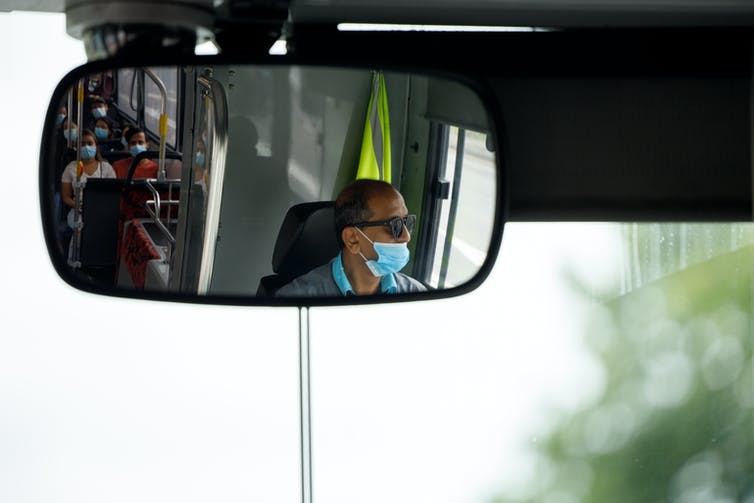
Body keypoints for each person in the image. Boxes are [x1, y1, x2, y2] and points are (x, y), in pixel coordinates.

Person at [276, 179, 427, 296]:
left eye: (407, 222)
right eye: (395, 225)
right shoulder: (297, 300)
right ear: (352, 239)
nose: (406, 236)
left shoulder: (416, 295)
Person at [60, 128, 117, 229]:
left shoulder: (106, 167)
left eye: (90, 143)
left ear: (96, 146)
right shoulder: (71, 167)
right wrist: (78, 205)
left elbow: (112, 193)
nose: (86, 147)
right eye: (82, 144)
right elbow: (66, 196)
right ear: (76, 148)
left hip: (102, 209)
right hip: (79, 210)